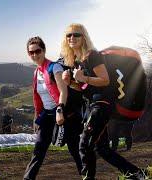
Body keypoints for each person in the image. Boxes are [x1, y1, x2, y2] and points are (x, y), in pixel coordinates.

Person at [61, 23, 145, 180]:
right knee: (102, 148)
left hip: (101, 104)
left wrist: (82, 77)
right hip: (90, 105)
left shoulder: (92, 55)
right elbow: (85, 87)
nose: (72, 38)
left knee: (84, 145)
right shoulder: (76, 60)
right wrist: (70, 83)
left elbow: (104, 80)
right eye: (69, 35)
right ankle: (138, 174)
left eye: (76, 34)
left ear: (83, 37)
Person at [23, 36, 83, 180]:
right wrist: (36, 118)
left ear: (43, 51)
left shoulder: (54, 67)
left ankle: (87, 176)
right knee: (38, 149)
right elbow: (37, 97)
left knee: (74, 149)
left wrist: (60, 110)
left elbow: (63, 91)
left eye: (37, 51)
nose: (34, 55)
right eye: (31, 52)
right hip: (47, 116)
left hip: (63, 113)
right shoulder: (36, 72)